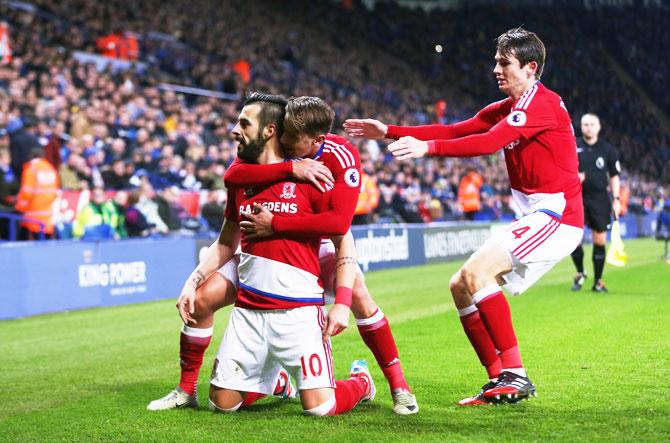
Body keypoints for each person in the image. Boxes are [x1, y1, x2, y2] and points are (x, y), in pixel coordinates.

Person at [344, 27, 584, 405]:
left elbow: (488, 143)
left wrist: (428, 149)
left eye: (504, 63)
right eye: (496, 61)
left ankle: (516, 375)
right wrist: (388, 131)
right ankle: (498, 379)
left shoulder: (543, 104)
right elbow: (457, 129)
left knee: (476, 274)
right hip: (538, 213)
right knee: (460, 284)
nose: (496, 69)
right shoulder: (509, 107)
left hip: (557, 215)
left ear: (530, 67)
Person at [148, 96, 418, 415]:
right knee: (202, 299)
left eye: (244, 124)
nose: (288, 143)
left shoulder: (326, 165)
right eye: (285, 136)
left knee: (356, 291)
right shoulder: (253, 165)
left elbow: (340, 229)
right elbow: (229, 207)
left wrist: (276, 224)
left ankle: (394, 385)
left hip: (310, 252)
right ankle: (193, 388)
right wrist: (191, 281)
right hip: (255, 265)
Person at [570, 113, 621, 293]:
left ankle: (598, 281)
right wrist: (573, 178)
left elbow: (614, 176)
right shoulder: (572, 146)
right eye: (585, 124)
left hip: (600, 199)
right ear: (581, 127)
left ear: (598, 127)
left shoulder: (608, 150)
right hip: (576, 198)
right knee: (574, 239)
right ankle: (580, 272)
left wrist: (616, 199)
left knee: (599, 239)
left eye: (592, 124)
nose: (588, 127)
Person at [15, 146, 60, 239]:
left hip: (32, 217)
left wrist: (19, 208)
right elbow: (55, 191)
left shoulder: (31, 169)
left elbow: (27, 192)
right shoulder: (50, 168)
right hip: (47, 216)